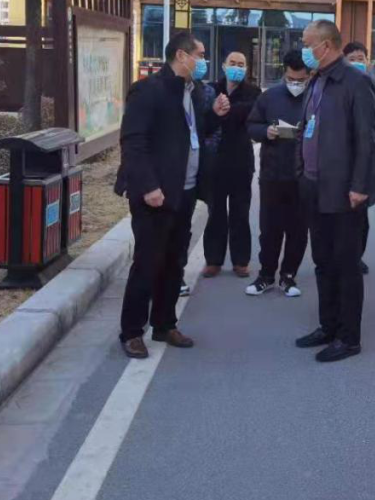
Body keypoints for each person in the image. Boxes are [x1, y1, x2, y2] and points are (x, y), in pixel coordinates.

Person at [114, 31, 229, 358]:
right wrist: (148, 186)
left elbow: (193, 133)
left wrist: (213, 115)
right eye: (199, 55)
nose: (203, 61)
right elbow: (133, 142)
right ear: (181, 55)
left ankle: (165, 324)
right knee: (148, 262)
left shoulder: (193, 91)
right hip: (156, 193)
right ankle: (132, 332)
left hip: (185, 191)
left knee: (175, 261)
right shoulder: (148, 90)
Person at [294, 19, 375, 363]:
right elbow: (306, 128)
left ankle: (349, 337)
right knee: (323, 262)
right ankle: (328, 326)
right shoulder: (317, 80)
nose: (304, 50)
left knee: (345, 265)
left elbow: (367, 139)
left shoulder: (355, 82)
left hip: (345, 191)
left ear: (325, 45)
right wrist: (300, 171)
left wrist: (360, 185)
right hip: (314, 186)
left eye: (307, 43)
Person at [245, 50, 311, 298]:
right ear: (284, 73)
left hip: (303, 176)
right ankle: (266, 275)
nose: (296, 84)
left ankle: (288, 276)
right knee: (270, 229)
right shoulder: (269, 97)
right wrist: (266, 132)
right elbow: (251, 125)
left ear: (309, 76)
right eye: (291, 79)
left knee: (298, 230)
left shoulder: (315, 97)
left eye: (301, 80)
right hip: (272, 174)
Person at [201, 51, 261, 279]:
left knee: (240, 213)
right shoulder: (211, 90)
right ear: (224, 66)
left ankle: (240, 261)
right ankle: (213, 260)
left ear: (246, 68)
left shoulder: (253, 92)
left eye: (241, 64)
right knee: (215, 212)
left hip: (241, 162)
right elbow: (205, 122)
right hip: (215, 162)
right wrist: (216, 112)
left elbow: (249, 114)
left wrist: (224, 110)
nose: (237, 67)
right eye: (233, 63)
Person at [342, 40, 375, 275]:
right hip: (339, 159)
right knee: (339, 212)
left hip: (367, 159)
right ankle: (339, 256)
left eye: (360, 59)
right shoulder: (337, 85)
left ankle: (356, 257)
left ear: (368, 61)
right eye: (351, 59)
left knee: (360, 213)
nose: (356, 63)